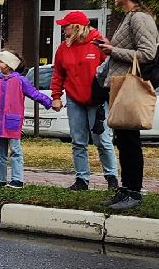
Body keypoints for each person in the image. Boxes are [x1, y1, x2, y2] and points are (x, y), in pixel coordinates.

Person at [96, 0, 159, 210]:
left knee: (130, 140)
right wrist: (108, 46)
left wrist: (113, 50)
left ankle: (134, 191)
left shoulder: (140, 18)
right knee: (122, 139)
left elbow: (147, 53)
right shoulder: (131, 16)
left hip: (130, 86)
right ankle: (126, 188)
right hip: (120, 84)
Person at [50, 10, 119, 192]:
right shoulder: (63, 48)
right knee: (78, 141)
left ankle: (112, 178)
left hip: (97, 100)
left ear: (77, 27)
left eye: (66, 26)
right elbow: (58, 74)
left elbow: (113, 68)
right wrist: (56, 96)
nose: (64, 29)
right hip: (74, 99)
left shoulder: (99, 44)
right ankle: (82, 179)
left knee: (102, 140)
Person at [0, 49, 53, 188]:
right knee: (0, 152)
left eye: (1, 61)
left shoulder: (20, 81)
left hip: (12, 121)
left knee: (15, 150)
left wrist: (48, 102)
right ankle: (1, 178)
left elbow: (34, 93)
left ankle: (17, 179)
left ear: (9, 65)